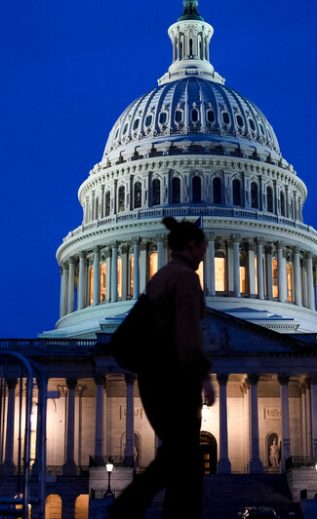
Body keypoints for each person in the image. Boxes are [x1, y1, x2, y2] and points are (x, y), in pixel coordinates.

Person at [109, 217, 216, 519]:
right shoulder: (184, 279)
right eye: (202, 248)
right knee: (182, 457)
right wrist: (204, 375)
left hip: (153, 378)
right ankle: (125, 508)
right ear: (192, 246)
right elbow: (187, 333)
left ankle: (132, 508)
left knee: (182, 460)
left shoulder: (162, 276)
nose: (203, 255)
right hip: (175, 379)